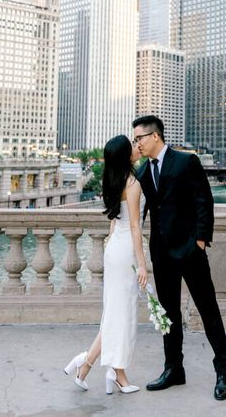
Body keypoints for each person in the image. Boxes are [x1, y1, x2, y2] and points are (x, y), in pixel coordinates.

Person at [132, 115, 226, 401]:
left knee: (208, 310)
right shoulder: (143, 171)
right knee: (168, 315)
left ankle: (222, 372)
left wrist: (199, 241)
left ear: (154, 137)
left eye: (139, 138)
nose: (136, 143)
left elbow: (204, 201)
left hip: (190, 251)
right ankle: (174, 369)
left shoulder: (186, 161)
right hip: (162, 254)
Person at [63, 134, 147, 394]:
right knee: (120, 314)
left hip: (115, 248)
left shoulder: (113, 179)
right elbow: (134, 226)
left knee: (114, 312)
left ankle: (94, 366)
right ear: (125, 154)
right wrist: (142, 264)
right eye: (132, 145)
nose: (136, 147)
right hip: (125, 252)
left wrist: (112, 237)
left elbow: (115, 219)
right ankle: (102, 367)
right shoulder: (132, 183)